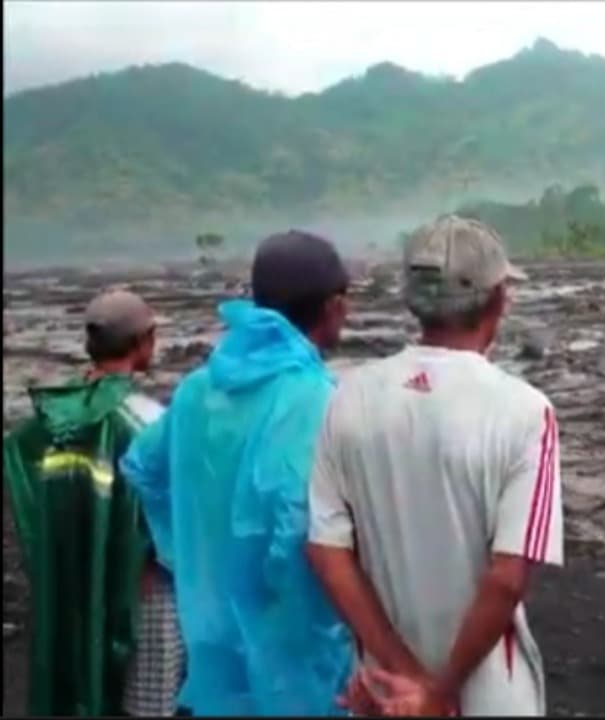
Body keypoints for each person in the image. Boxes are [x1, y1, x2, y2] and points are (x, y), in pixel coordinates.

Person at [306, 216, 563, 717]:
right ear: (497, 301)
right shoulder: (527, 412)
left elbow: (327, 553)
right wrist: (439, 693)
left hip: (384, 689)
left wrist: (403, 672)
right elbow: (508, 578)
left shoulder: (347, 398)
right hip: (489, 692)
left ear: (412, 301)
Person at [120, 231, 355, 716]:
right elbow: (296, 526)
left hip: (211, 645)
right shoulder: (317, 400)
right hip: (294, 657)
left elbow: (143, 469)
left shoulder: (195, 391)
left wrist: (187, 556)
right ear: (333, 307)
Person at [2, 289, 185, 717]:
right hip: (144, 590)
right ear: (144, 342)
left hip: (71, 582)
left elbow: (26, 478)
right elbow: (173, 519)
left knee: (79, 684)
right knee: (146, 703)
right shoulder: (150, 421)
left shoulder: (50, 420)